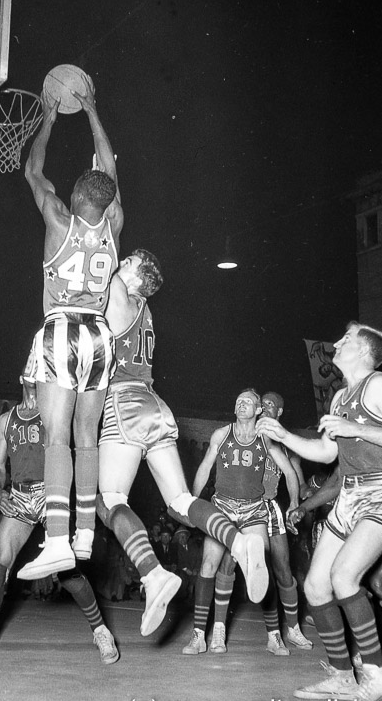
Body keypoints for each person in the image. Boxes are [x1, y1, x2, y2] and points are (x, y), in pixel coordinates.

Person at [95, 253, 269, 636]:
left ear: (137, 279)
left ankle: (153, 574)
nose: (119, 263)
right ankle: (239, 544)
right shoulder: (144, 309)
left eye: (128, 262)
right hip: (156, 405)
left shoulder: (121, 293)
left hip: (125, 401)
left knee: (110, 499)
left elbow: (100, 260)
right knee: (179, 502)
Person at [257, 321, 382, 701]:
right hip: (349, 496)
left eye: (346, 339)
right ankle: (341, 676)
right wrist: (284, 436)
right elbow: (328, 454)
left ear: (364, 352)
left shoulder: (380, 386)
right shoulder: (339, 398)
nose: (336, 342)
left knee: (344, 576)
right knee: (316, 587)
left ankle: (376, 677)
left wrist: (354, 427)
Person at [17, 82, 124, 580]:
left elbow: (33, 169)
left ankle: (57, 540)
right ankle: (84, 534)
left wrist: (52, 118)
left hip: (62, 329)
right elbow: (110, 163)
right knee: (87, 436)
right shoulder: (114, 222)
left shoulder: (57, 219)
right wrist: (94, 111)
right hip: (102, 337)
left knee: (55, 433)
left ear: (74, 195)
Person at [0, 381, 119, 664]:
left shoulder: (55, 411)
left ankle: (101, 631)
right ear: (23, 378)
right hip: (21, 496)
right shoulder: (6, 420)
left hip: (51, 492)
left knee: (66, 570)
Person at [289, 469, 382, 688]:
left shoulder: (370, 441)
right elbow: (334, 484)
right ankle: (359, 656)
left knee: (381, 582)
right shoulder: (343, 453)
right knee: (342, 582)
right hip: (354, 518)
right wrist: (304, 507)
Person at [181, 388, 298, 656]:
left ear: (258, 410)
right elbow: (204, 469)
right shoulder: (221, 435)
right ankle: (201, 635)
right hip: (222, 505)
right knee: (209, 565)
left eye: (248, 402)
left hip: (253, 509)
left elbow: (290, 472)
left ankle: (274, 635)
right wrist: (191, 502)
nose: (241, 404)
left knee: (260, 566)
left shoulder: (265, 438)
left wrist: (293, 503)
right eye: (238, 401)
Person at [208, 391, 313, 654]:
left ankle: (291, 629)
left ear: (279, 412)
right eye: (261, 404)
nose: (265, 408)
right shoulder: (244, 433)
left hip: (269, 507)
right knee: (228, 563)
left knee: (281, 569)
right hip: (240, 505)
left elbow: (296, 479)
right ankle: (219, 631)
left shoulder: (282, 443)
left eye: (270, 405)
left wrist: (296, 504)